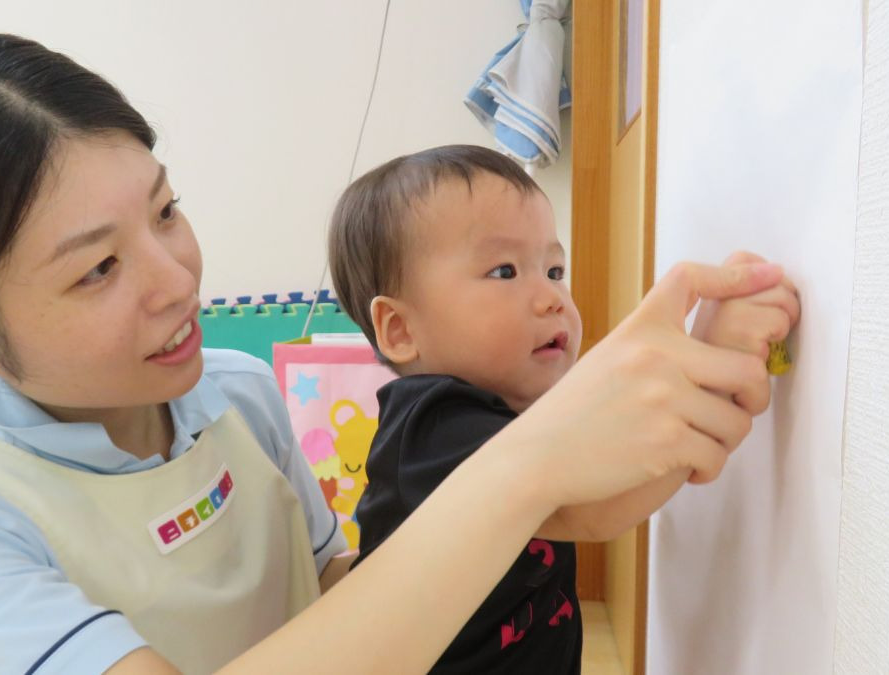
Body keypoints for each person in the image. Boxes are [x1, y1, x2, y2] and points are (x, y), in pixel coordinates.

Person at [0, 28, 788, 675]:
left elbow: (345, 598)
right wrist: (532, 462)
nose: (176, 279)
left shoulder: (236, 396)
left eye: (166, 210)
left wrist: (688, 398)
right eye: (99, 268)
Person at [328, 145, 799, 673]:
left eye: (554, 269)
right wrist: (714, 360)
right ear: (400, 329)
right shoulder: (431, 428)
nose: (552, 297)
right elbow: (598, 503)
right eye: (504, 272)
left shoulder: (517, 408)